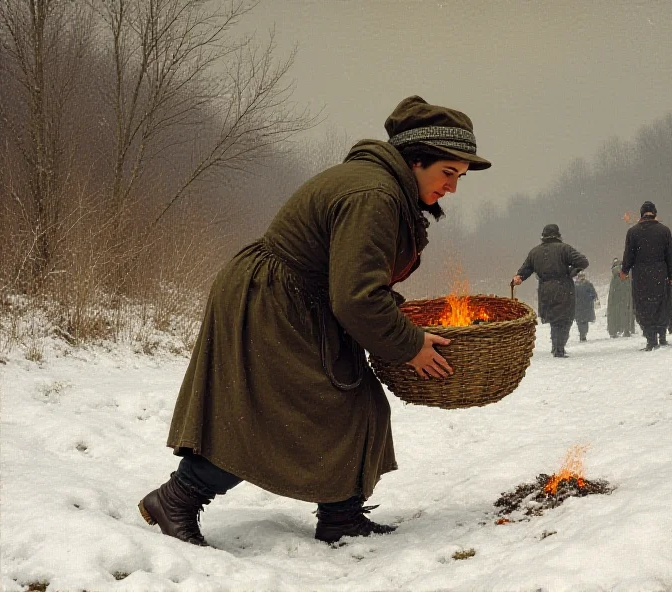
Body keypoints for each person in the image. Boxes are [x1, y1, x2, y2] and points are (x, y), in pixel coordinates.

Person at [137, 95, 492, 546]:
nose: (453, 188)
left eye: (460, 178)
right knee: (269, 414)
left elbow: (352, 279)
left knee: (359, 402)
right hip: (272, 302)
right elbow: (357, 298)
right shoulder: (374, 195)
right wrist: (411, 345)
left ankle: (342, 517)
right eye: (448, 173)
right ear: (416, 160)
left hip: (298, 298)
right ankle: (176, 499)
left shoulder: (379, 185)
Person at [511, 224, 588, 358]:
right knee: (565, 318)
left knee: (554, 319)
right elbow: (583, 262)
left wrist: (519, 277)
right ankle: (559, 348)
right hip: (563, 286)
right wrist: (572, 271)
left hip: (545, 289)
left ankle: (555, 346)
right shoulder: (564, 248)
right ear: (557, 235)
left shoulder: (535, 252)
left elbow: (526, 268)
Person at [620, 201, 672, 351]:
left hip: (641, 276)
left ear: (641, 214)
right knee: (661, 303)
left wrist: (624, 271)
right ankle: (662, 335)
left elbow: (628, 256)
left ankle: (651, 339)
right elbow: (671, 255)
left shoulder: (633, 232)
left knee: (644, 305)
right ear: (655, 213)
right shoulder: (664, 231)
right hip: (661, 273)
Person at [607, 257, 635, 338]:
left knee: (617, 314)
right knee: (624, 313)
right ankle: (624, 330)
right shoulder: (623, 275)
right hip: (622, 297)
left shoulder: (616, 277)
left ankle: (619, 330)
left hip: (620, 298)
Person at [574, 272, 599, 342]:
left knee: (580, 322)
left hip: (579, 307)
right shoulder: (588, 284)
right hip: (586, 307)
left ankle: (582, 334)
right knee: (584, 322)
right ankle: (583, 334)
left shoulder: (575, 285)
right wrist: (590, 298)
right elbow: (593, 295)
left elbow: (572, 296)